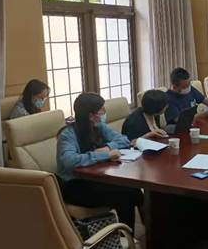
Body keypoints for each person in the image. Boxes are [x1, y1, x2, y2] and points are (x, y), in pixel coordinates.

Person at [57, 93, 143, 231]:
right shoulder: (68, 135)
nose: (104, 113)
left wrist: (108, 147)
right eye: (101, 110)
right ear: (91, 115)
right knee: (126, 196)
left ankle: (151, 233)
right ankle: (127, 237)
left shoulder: (98, 126)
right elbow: (69, 161)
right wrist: (104, 155)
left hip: (96, 178)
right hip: (74, 186)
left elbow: (124, 140)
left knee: (134, 190)